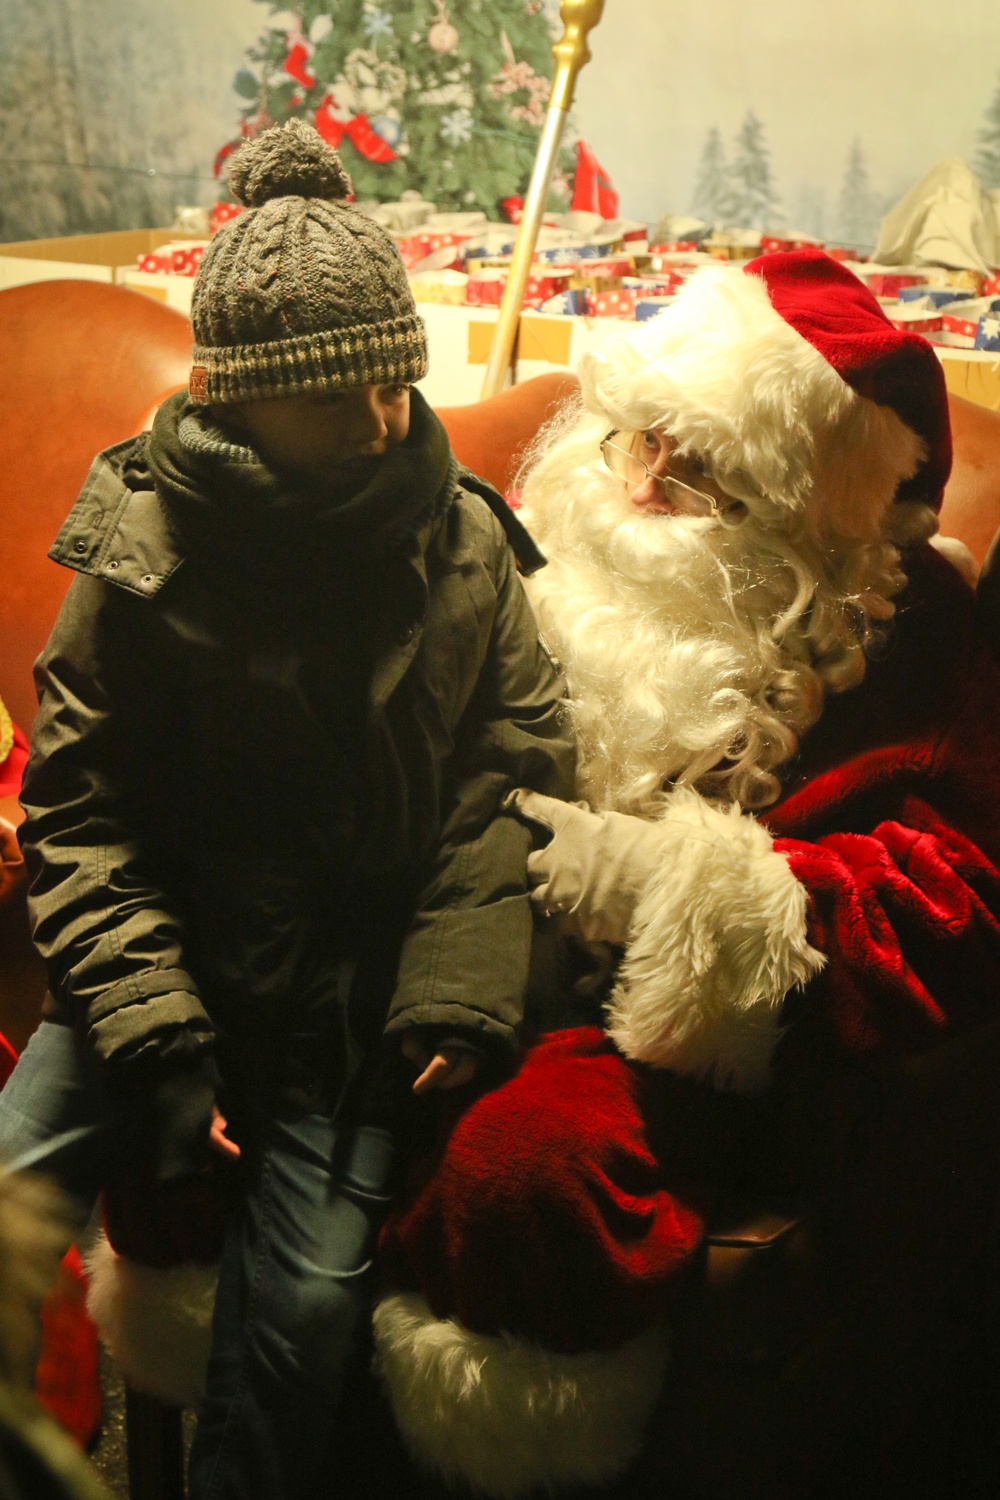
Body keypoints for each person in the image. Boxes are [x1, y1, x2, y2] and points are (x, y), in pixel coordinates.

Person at [0, 120, 574, 1500]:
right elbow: (77, 808)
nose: (381, 421)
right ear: (237, 393)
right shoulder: (142, 541)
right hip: (157, 963)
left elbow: (513, 781)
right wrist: (152, 1031)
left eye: (394, 380)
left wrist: (456, 982)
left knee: (306, 1313)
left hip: (344, 1006)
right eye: (336, 396)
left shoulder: (466, 543)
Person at [374, 249, 1000, 1496]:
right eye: (634, 440)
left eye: (701, 467)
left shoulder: (911, 635)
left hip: (689, 1035)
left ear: (812, 506)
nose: (643, 485)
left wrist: (665, 887)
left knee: (524, 1167)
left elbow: (954, 903)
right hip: (471, 948)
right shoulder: (528, 550)